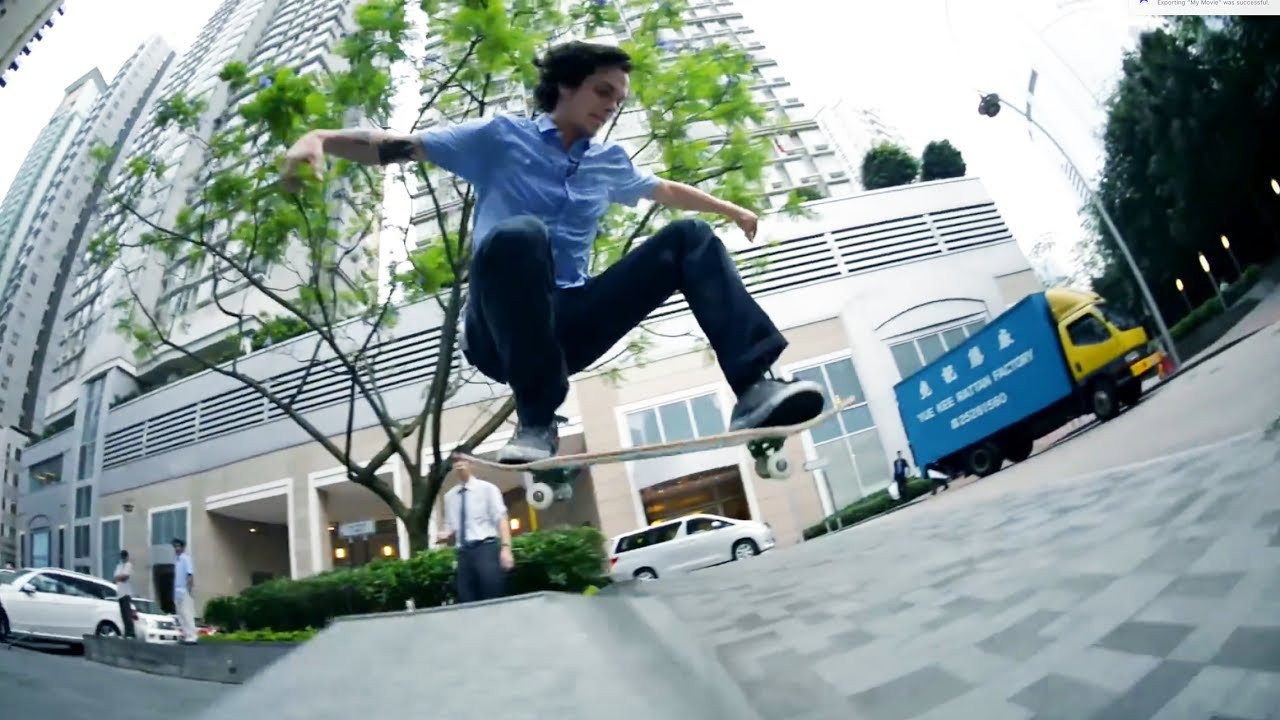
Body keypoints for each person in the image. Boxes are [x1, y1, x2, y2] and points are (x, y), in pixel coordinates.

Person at [280, 40, 825, 463]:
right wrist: (321, 138)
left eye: (618, 100)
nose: (610, 107)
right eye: (602, 92)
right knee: (522, 234)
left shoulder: (608, 163)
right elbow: (401, 146)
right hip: (499, 333)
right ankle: (536, 421)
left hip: (573, 326)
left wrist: (732, 211)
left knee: (689, 237)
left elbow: (664, 190)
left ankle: (754, 386)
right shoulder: (500, 138)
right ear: (565, 85)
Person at [437, 456, 514, 603]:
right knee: (467, 599)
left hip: (485, 548)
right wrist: (445, 534)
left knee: (492, 596)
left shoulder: (488, 489)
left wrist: (506, 548)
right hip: (463, 554)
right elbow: (450, 525)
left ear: (472, 464)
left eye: (463, 460)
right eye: (455, 461)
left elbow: (501, 519)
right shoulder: (450, 497)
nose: (459, 464)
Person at [172, 538, 197, 644]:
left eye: (178, 546)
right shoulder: (175, 560)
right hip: (176, 590)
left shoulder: (186, 559)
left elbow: (190, 575)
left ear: (182, 547)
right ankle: (186, 635)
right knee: (180, 614)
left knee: (187, 613)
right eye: (175, 546)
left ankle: (192, 636)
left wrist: (189, 590)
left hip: (184, 590)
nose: (176, 548)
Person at [112, 549, 136, 639]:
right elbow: (115, 578)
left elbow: (125, 577)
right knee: (123, 614)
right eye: (122, 556)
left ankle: (131, 633)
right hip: (120, 593)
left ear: (127, 556)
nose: (123, 558)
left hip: (126, 593)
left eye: (124, 556)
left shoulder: (128, 565)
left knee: (127, 613)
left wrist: (118, 577)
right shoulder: (119, 566)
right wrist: (119, 577)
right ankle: (126, 632)